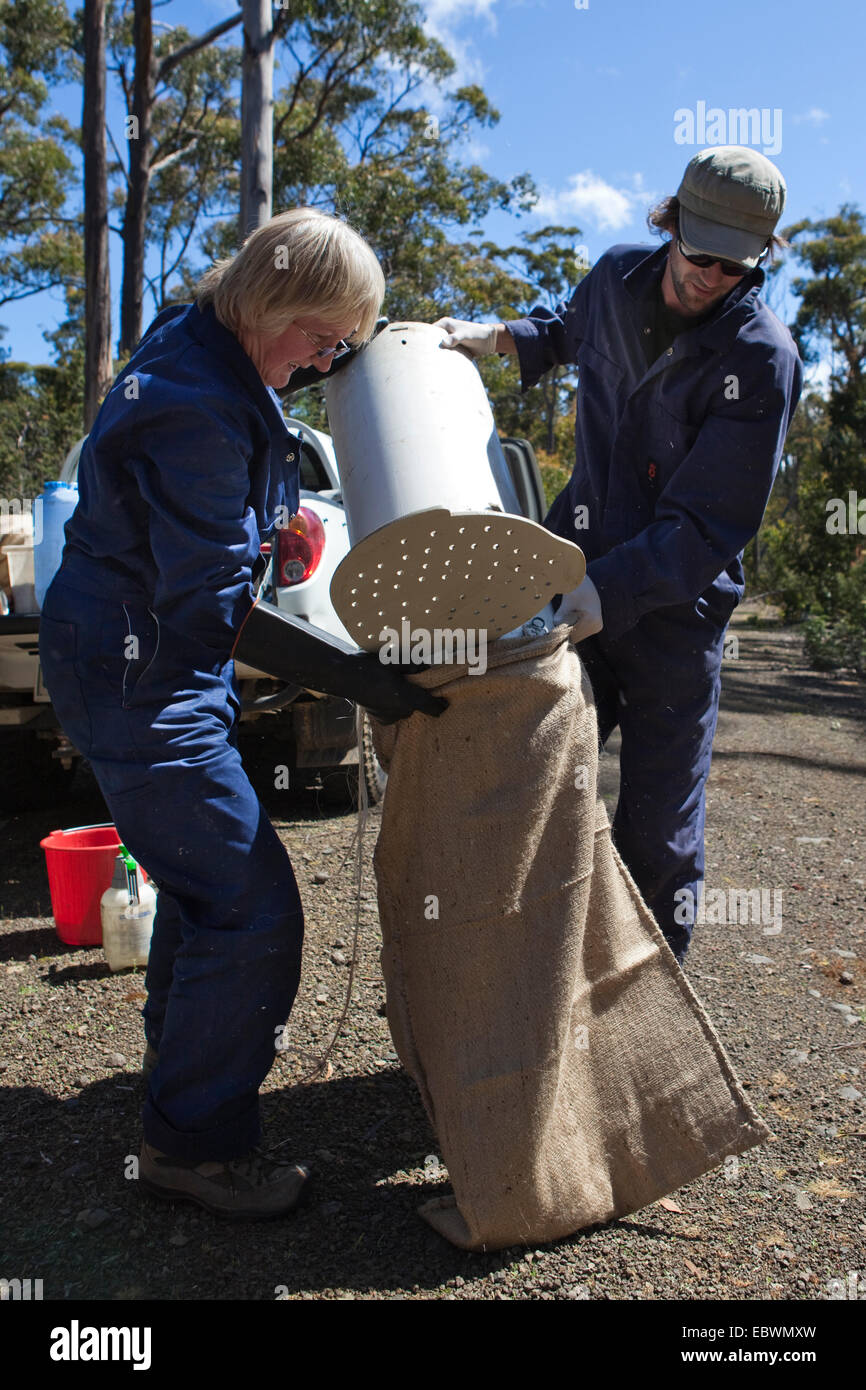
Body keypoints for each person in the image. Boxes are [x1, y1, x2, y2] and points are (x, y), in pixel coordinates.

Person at [39, 208, 443, 1219]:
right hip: (142, 679)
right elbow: (214, 607)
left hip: (131, 659)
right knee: (252, 906)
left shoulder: (203, 343)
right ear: (271, 305)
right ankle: (195, 1147)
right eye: (323, 334)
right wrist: (370, 684)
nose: (327, 357)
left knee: (202, 884)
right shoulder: (200, 407)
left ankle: (176, 1095)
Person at [435, 147, 803, 965]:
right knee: (522, 779)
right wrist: (495, 339)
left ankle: (645, 1000)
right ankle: (511, 980)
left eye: (734, 267)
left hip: (675, 612)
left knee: (659, 833)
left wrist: (611, 588)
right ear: (670, 222)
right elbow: (567, 332)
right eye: (699, 252)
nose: (710, 276)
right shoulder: (613, 279)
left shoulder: (761, 359)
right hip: (573, 575)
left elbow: (708, 526)